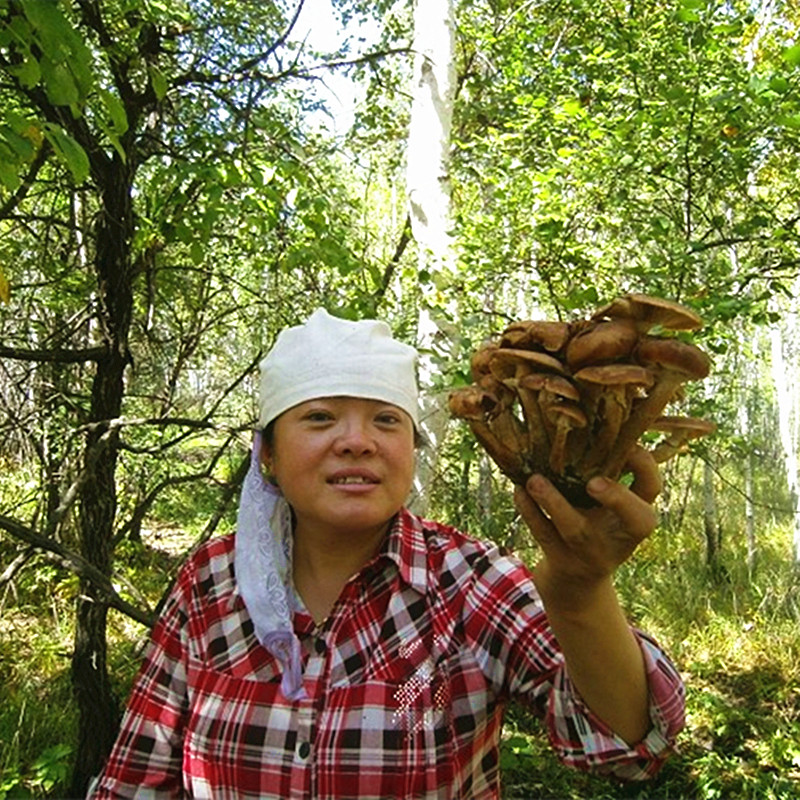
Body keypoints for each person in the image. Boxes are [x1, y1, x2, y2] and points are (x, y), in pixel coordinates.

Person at [88, 308, 685, 799]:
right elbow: (137, 779)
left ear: (412, 451)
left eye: (385, 420)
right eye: (320, 418)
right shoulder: (212, 584)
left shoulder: (470, 582)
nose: (357, 441)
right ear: (266, 453)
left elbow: (626, 745)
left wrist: (579, 595)